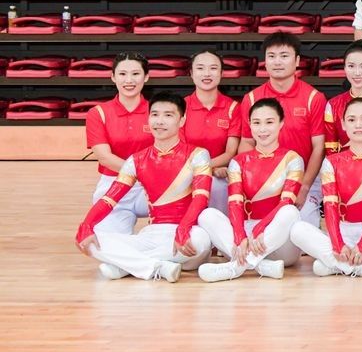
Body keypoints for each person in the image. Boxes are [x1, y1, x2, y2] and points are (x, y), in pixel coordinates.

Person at [75, 93, 214, 282]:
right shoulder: (136, 160)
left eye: (168, 115)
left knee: (201, 241)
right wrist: (86, 225)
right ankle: (156, 267)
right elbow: (109, 199)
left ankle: (124, 266)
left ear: (181, 121)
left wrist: (183, 229)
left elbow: (201, 199)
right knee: (91, 241)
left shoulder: (198, 155)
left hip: (188, 232)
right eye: (155, 114)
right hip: (151, 234)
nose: (160, 121)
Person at [290, 98, 362, 277]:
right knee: (297, 230)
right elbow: (330, 207)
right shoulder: (331, 162)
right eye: (352, 119)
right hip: (343, 234)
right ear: (343, 125)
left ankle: (336, 266)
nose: (358, 125)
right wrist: (338, 244)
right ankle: (360, 268)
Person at [195, 98, 303, 281]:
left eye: (269, 122)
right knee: (207, 215)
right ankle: (260, 265)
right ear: (250, 125)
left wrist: (260, 229)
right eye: (257, 123)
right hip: (245, 240)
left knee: (290, 212)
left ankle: (235, 268)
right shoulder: (238, 162)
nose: (262, 129)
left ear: (281, 124)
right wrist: (240, 235)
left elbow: (286, 202)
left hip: (279, 241)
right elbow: (235, 203)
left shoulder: (292, 159)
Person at [234, 33, 328, 222]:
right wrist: (252, 181)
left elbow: (319, 147)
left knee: (303, 226)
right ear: (265, 61)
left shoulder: (314, 98)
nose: (277, 62)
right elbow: (246, 142)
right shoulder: (251, 99)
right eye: (272, 56)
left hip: (305, 178)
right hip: (264, 179)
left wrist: (304, 186)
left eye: (284, 56)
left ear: (297, 61)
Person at [84, 54, 152, 227]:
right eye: (122, 74)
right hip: (114, 183)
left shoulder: (158, 111)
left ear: (146, 76)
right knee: (109, 239)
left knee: (169, 234)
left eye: (135, 74)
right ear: (113, 77)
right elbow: (104, 157)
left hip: (152, 184)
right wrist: (140, 173)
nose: (129, 80)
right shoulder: (98, 113)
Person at [183, 49, 239, 210]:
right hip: (186, 176)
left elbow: (231, 152)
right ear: (191, 73)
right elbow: (179, 149)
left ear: (221, 73)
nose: (207, 73)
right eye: (200, 68)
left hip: (220, 177)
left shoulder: (233, 107)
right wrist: (208, 169)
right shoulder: (180, 107)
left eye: (213, 68)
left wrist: (210, 169)